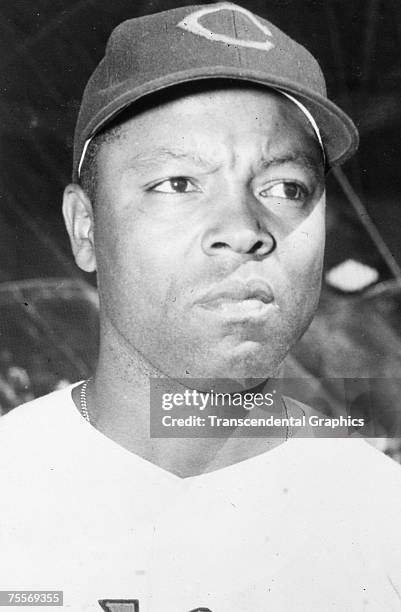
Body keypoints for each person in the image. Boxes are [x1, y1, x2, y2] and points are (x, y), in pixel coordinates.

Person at [1, 4, 400, 611]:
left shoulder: (381, 523)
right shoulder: (13, 490)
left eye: (285, 189)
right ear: (85, 228)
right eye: (179, 184)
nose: (244, 229)